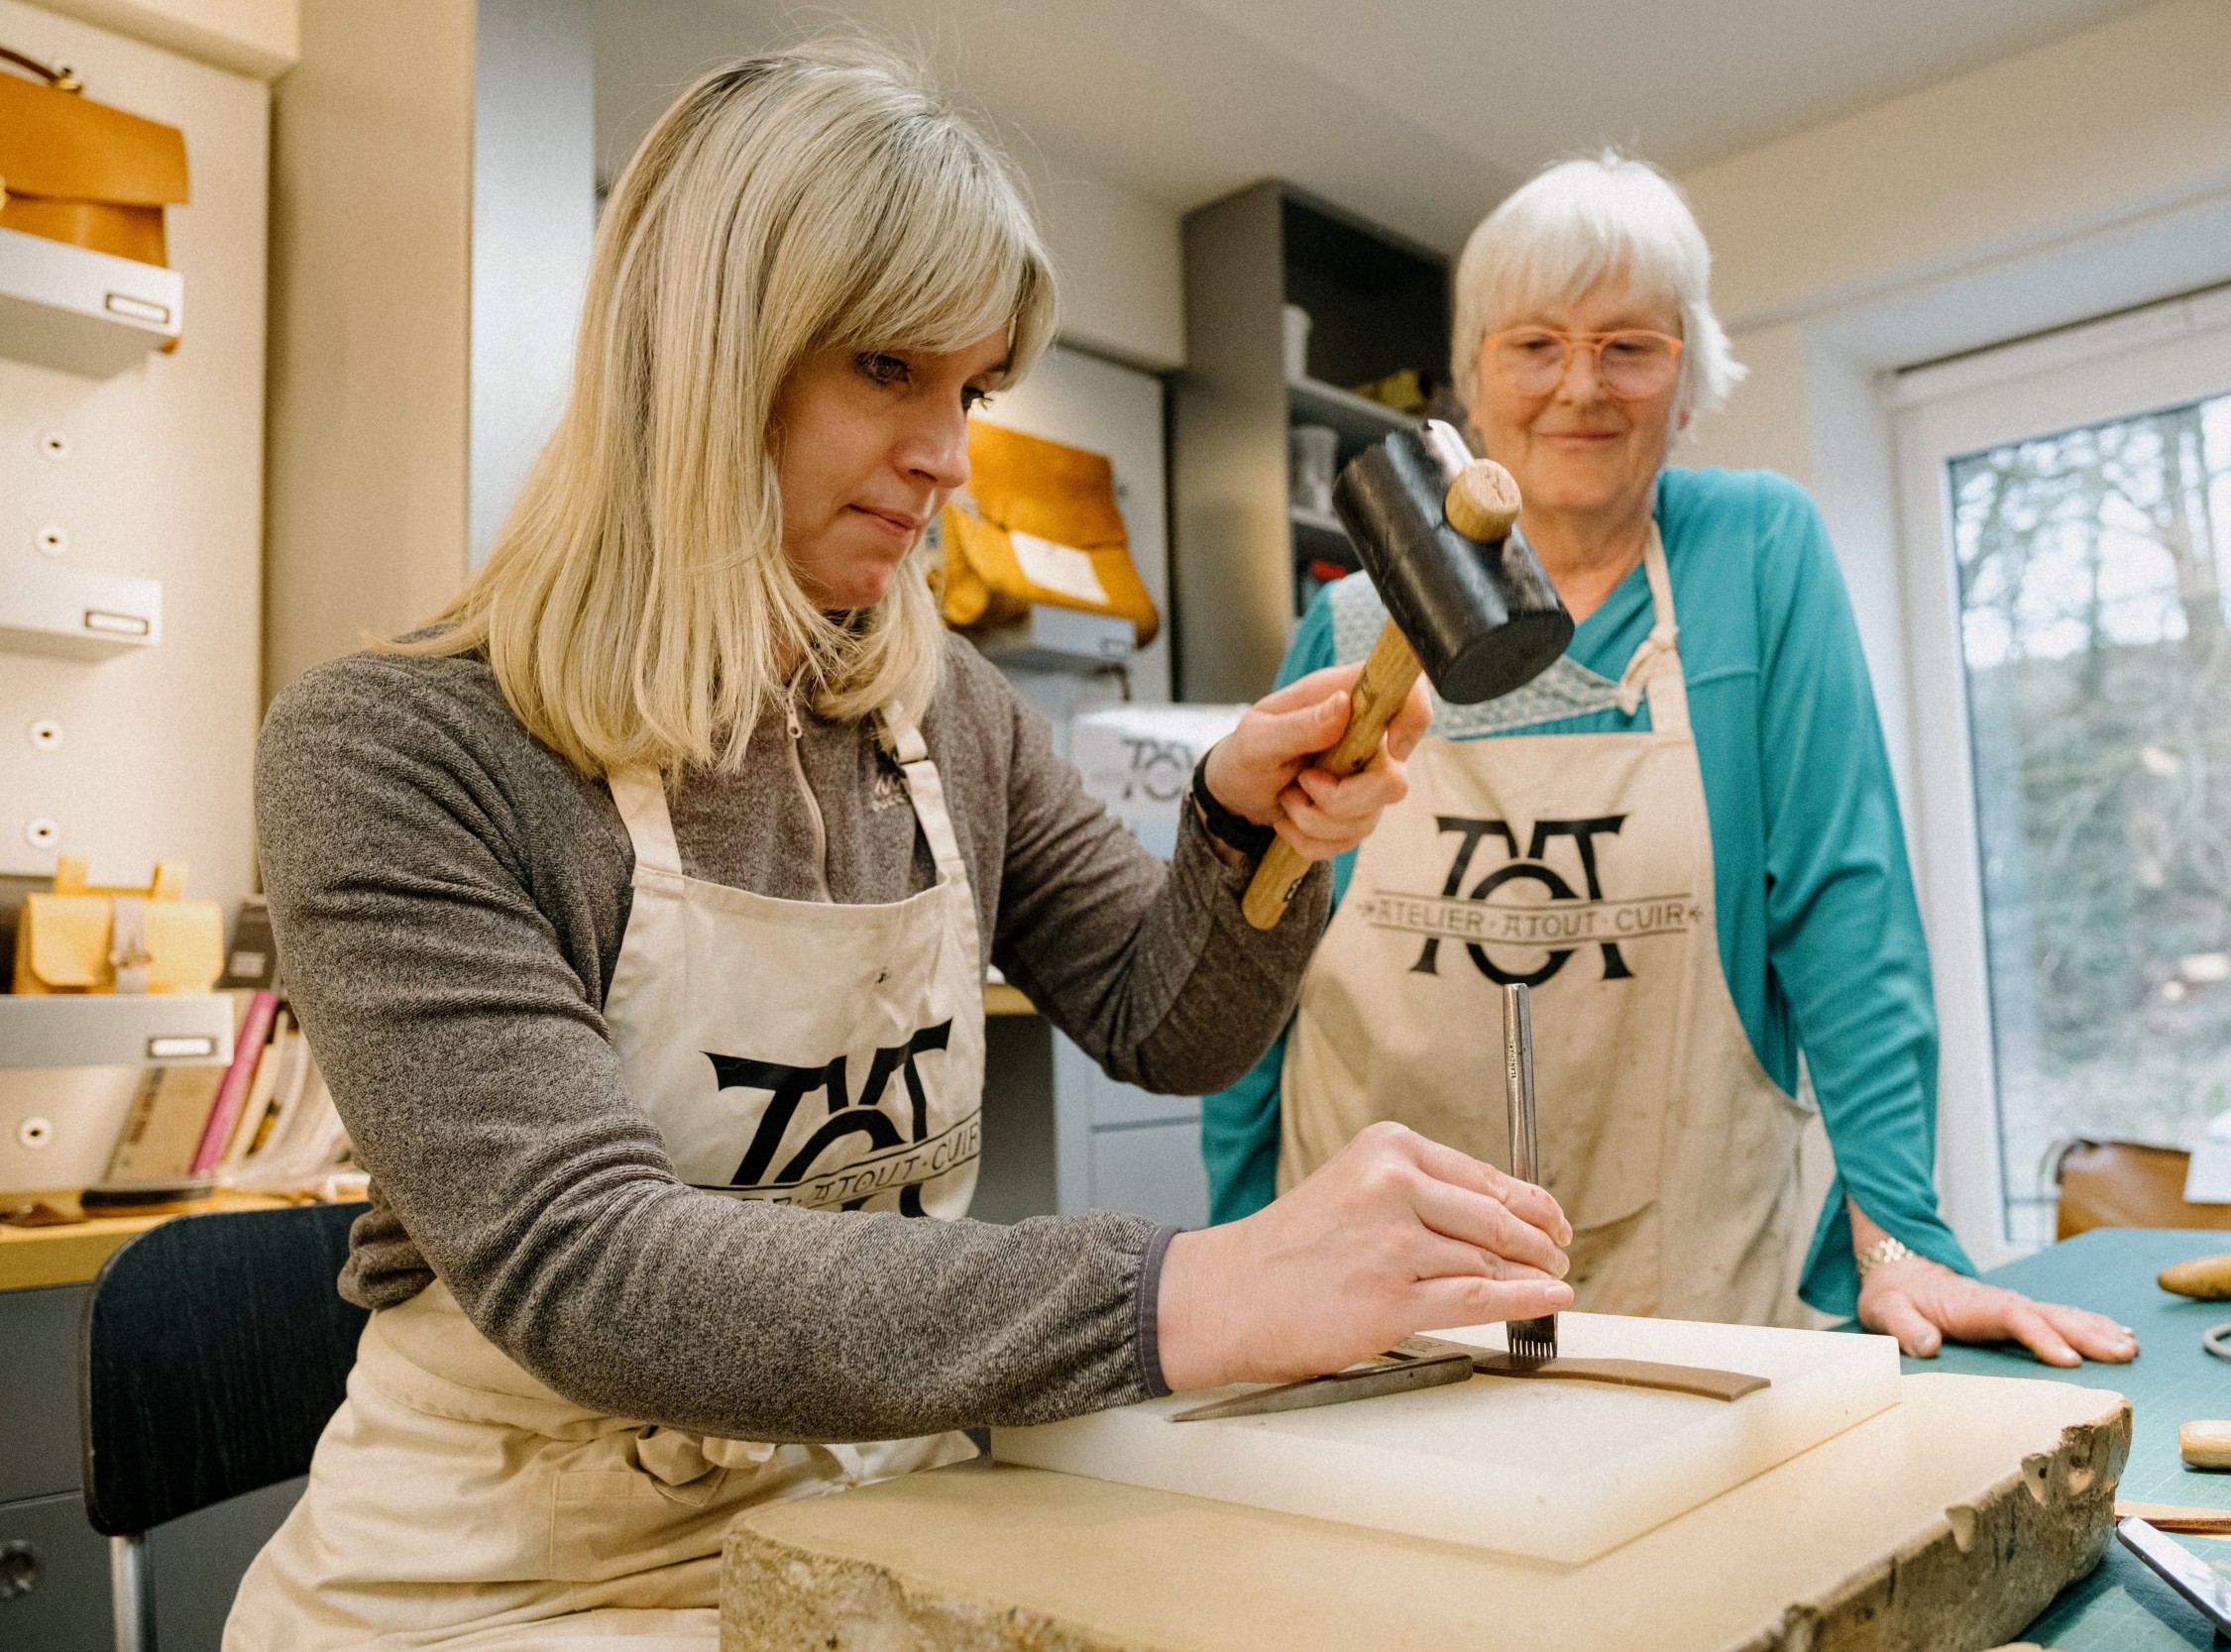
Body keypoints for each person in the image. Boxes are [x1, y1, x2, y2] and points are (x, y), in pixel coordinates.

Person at [226, 47, 1572, 1651]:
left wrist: (1237, 829)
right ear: (710, 355)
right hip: (504, 1579)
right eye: (887, 368)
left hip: (869, 1516)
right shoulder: (398, 749)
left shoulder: (945, 711)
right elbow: (591, 1268)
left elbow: (1171, 1028)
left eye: (974, 391)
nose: (951, 453)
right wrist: (1189, 1291)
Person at [1202, 155, 2139, 1370]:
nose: (1578, 388)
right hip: (1374, 1290)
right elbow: (1256, 960)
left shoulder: (1756, 553)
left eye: (1628, 347)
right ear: (1473, 388)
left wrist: (1900, 1235)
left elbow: (1845, 916)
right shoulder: (1350, 620)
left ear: (1688, 378)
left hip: (1686, 1278)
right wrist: (1234, 1252)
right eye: (1533, 344)